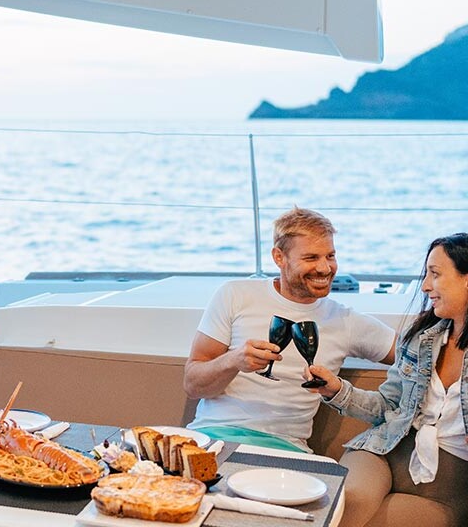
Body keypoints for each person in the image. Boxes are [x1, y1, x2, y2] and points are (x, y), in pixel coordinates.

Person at [184, 207, 395, 452]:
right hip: (213, 437)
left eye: (330, 256)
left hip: (286, 448)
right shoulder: (234, 295)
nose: (325, 268)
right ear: (279, 257)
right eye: (311, 258)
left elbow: (412, 357)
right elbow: (193, 385)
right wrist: (232, 361)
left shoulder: (345, 320)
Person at [307, 233, 468, 527]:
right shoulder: (423, 339)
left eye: (435, 274)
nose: (425, 286)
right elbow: (388, 406)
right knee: (343, 507)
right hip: (385, 451)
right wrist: (337, 391)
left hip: (448, 489)